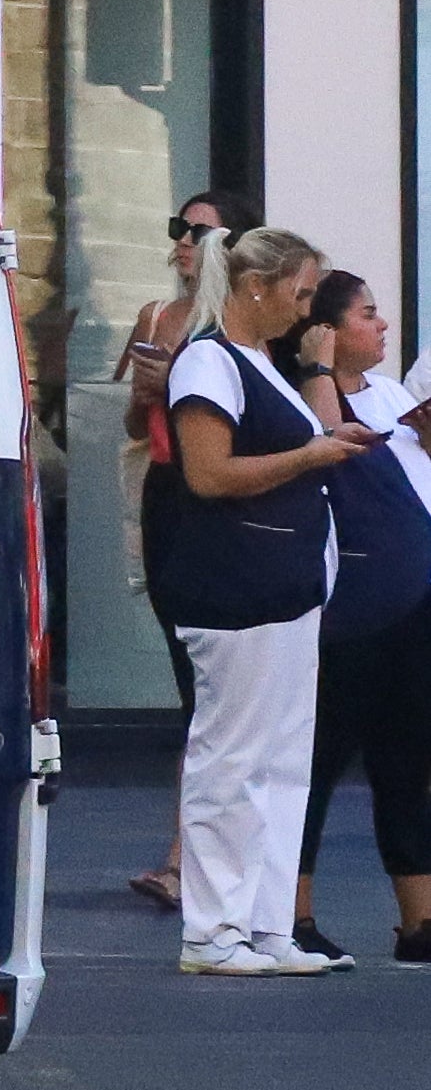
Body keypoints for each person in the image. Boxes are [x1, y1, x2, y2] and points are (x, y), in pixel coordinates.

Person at [152, 223, 369, 976]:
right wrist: (311, 453)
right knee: (231, 760)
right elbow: (207, 474)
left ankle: (266, 927)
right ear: (255, 285)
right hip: (238, 591)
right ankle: (212, 932)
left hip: (285, 586)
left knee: (281, 764)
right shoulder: (208, 361)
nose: (305, 308)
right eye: (300, 292)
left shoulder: (258, 362)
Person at [291, 270, 431, 966]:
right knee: (315, 761)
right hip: (347, 612)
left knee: (406, 761)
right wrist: (317, 364)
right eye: (367, 315)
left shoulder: (392, 396)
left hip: (411, 607)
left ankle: (419, 920)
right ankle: (294, 910)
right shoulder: (311, 395)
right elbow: (324, 441)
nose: (381, 327)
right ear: (327, 329)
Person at [116, 191, 244, 909]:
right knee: (189, 676)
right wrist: (147, 392)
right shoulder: (157, 317)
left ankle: (183, 853)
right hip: (167, 492)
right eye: (179, 229)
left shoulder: (238, 323)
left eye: (199, 231)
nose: (183, 242)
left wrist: (182, 385)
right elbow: (136, 419)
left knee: (211, 687)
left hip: (216, 497)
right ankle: (191, 850)